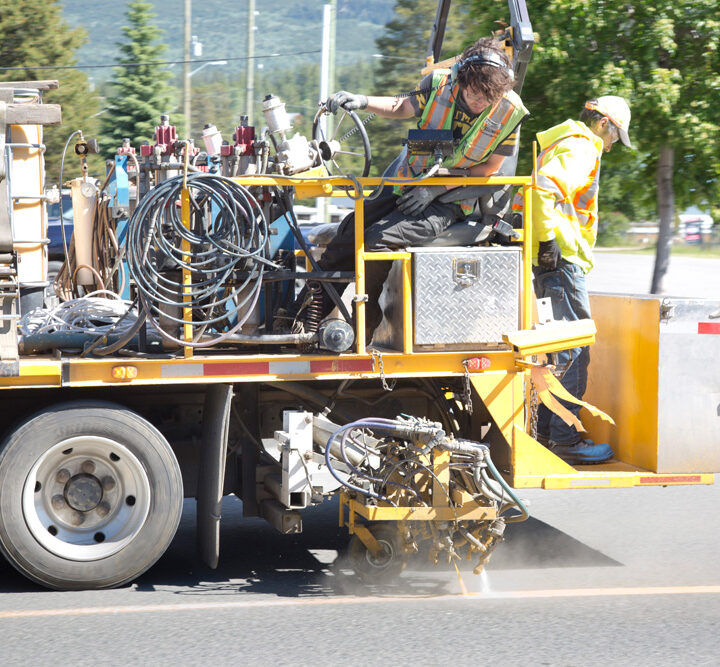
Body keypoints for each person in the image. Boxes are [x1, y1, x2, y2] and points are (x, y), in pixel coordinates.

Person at [293, 37, 528, 336]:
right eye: (472, 93)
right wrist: (363, 100)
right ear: (462, 79)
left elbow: (488, 170)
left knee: (377, 238)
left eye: (486, 97)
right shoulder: (440, 84)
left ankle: (364, 325)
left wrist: (436, 189)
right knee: (348, 235)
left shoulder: (509, 112)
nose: (478, 101)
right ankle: (300, 319)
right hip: (408, 180)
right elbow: (402, 105)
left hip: (451, 200)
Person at [531, 95, 632, 464]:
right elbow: (545, 187)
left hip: (554, 261)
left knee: (559, 352)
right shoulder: (582, 147)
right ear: (602, 123)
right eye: (614, 137)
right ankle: (566, 440)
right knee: (574, 351)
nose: (611, 145)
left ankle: (546, 432)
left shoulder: (563, 142)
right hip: (561, 259)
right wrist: (547, 242)